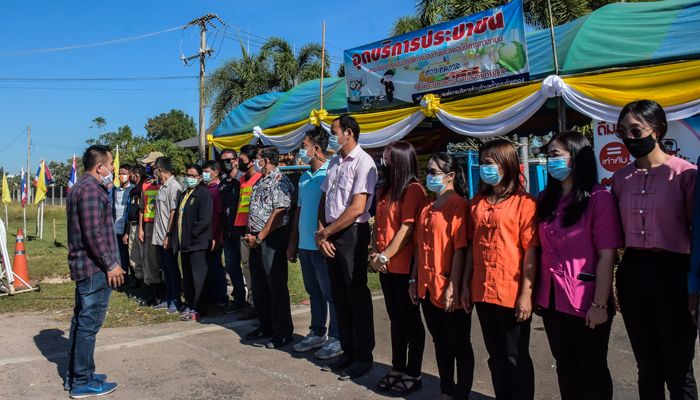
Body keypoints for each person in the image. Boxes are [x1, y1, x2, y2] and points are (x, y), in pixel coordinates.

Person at [612, 100, 698, 398]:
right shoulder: (620, 179)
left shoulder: (686, 174)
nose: (628, 139)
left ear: (658, 130)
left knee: (678, 368)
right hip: (633, 272)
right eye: (622, 132)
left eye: (636, 131)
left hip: (674, 273)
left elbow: (695, 233)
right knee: (647, 367)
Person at [536, 132, 623, 400]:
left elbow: (607, 255)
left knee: (592, 370)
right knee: (565, 368)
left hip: (585, 301)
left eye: (556, 155)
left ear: (577, 158)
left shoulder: (599, 198)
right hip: (551, 299)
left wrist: (599, 305)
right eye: (548, 156)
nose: (550, 162)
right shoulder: (545, 198)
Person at [463, 139, 538, 400]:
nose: (484, 168)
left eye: (488, 163)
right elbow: (471, 247)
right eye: (482, 163)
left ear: (505, 165)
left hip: (512, 292)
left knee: (515, 355)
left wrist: (526, 294)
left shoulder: (525, 203)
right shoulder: (476, 203)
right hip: (482, 292)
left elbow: (531, 251)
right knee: (495, 355)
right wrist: (465, 285)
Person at [316, 116, 377, 380]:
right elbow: (325, 199)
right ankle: (348, 351)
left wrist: (326, 233)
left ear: (348, 133)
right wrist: (322, 235)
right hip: (330, 234)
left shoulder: (364, 162)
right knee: (339, 296)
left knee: (356, 296)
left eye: (334, 132)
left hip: (351, 233)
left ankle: (363, 356)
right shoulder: (334, 162)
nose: (331, 136)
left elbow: (357, 208)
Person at [411, 152, 473, 400]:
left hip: (448, 287)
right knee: (440, 342)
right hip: (426, 287)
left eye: (434, 172)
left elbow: (461, 248)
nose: (429, 176)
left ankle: (462, 393)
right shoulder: (426, 204)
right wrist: (413, 279)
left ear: (450, 176)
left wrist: (453, 285)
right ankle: (446, 389)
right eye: (428, 171)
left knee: (459, 344)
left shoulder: (459, 205)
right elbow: (418, 246)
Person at [64, 145, 123, 397]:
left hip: (87, 265)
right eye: (110, 165)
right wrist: (111, 264)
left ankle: (78, 374)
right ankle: (81, 382)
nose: (112, 169)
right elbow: (93, 234)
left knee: (81, 322)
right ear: (100, 167)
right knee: (89, 324)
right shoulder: (89, 189)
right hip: (94, 268)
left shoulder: (82, 186)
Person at [371, 141, 426, 396]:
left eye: (387, 159)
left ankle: (413, 372)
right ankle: (397, 366)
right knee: (396, 320)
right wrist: (375, 252)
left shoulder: (413, 190)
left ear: (400, 161)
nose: (383, 163)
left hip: (404, 267)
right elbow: (378, 225)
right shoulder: (386, 189)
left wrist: (383, 257)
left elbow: (407, 230)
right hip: (386, 266)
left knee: (410, 321)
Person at [286, 127, 343, 359]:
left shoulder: (332, 172)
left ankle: (337, 338)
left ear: (316, 148)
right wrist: (292, 242)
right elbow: (299, 210)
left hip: (322, 245)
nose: (302, 150)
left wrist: (325, 236)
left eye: (304, 145)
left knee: (330, 293)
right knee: (314, 292)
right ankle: (317, 332)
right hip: (305, 247)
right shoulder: (303, 177)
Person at [243, 145, 295, 348]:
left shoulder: (280, 180)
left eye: (258, 158)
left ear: (266, 160)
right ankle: (266, 325)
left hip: (272, 238)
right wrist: (251, 235)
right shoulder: (260, 180)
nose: (256, 161)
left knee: (276, 285)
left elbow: (280, 211)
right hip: (255, 238)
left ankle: (283, 331)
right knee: (259, 285)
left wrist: (261, 236)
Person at [173, 164, 213, 322]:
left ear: (200, 177)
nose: (189, 178)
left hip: (197, 244)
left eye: (192, 176)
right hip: (185, 244)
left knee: (198, 278)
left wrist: (192, 234)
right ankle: (190, 304)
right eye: (187, 175)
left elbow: (204, 220)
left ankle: (200, 308)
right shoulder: (185, 194)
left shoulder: (203, 194)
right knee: (188, 277)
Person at [232, 145, 262, 320]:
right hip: (241, 229)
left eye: (241, 160)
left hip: (254, 231)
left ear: (252, 162)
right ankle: (252, 303)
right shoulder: (242, 180)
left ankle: (258, 305)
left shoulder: (259, 179)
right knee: (246, 269)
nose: (238, 163)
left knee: (255, 270)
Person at [150, 157, 182, 314]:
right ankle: (168, 297)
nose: (153, 171)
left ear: (160, 169)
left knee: (172, 268)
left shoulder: (173, 186)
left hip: (167, 236)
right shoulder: (162, 187)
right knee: (165, 269)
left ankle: (176, 300)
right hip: (160, 235)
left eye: (154, 168)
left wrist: (169, 235)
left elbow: (173, 212)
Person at [218, 148, 248, 313]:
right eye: (223, 161)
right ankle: (238, 298)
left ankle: (252, 301)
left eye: (229, 160)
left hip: (242, 231)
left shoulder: (242, 180)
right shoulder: (223, 183)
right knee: (231, 267)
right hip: (227, 232)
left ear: (236, 161)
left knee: (247, 267)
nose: (226, 164)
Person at [137, 152, 164, 306]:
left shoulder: (166, 183)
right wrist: (140, 228)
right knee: (150, 260)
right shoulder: (146, 183)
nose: (148, 167)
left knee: (164, 260)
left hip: (163, 225)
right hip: (149, 225)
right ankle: (153, 291)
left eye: (150, 164)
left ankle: (166, 291)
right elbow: (142, 208)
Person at [202, 160, 227, 307]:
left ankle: (221, 296)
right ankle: (211, 293)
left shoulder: (217, 190)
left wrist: (217, 237)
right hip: (204, 236)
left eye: (206, 171)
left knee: (216, 266)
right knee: (207, 266)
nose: (204, 174)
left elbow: (221, 215)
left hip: (215, 235)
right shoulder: (204, 189)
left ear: (215, 173)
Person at [123, 165, 147, 292]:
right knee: (133, 256)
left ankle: (146, 284)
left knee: (143, 256)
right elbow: (128, 212)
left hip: (141, 227)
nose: (130, 177)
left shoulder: (144, 189)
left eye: (132, 175)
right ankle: (138, 280)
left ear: (137, 175)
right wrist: (127, 232)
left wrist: (141, 229)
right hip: (131, 226)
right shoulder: (133, 191)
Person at [113, 165, 133, 289]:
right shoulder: (117, 191)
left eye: (124, 173)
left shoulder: (132, 189)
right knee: (119, 255)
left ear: (129, 175)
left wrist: (127, 230)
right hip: (116, 227)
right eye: (119, 173)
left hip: (127, 228)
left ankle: (132, 278)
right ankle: (121, 278)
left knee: (128, 255)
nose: (121, 176)